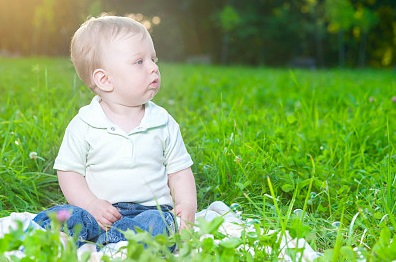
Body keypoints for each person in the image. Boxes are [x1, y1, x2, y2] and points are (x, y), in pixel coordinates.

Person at [33, 15, 197, 250]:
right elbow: (69, 172)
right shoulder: (85, 124)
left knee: (159, 224)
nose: (154, 67)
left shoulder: (163, 122)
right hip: (99, 212)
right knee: (64, 216)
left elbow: (180, 171)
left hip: (148, 211)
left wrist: (187, 204)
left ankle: (114, 246)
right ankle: (53, 238)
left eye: (153, 58)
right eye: (139, 61)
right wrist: (91, 204)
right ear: (105, 79)